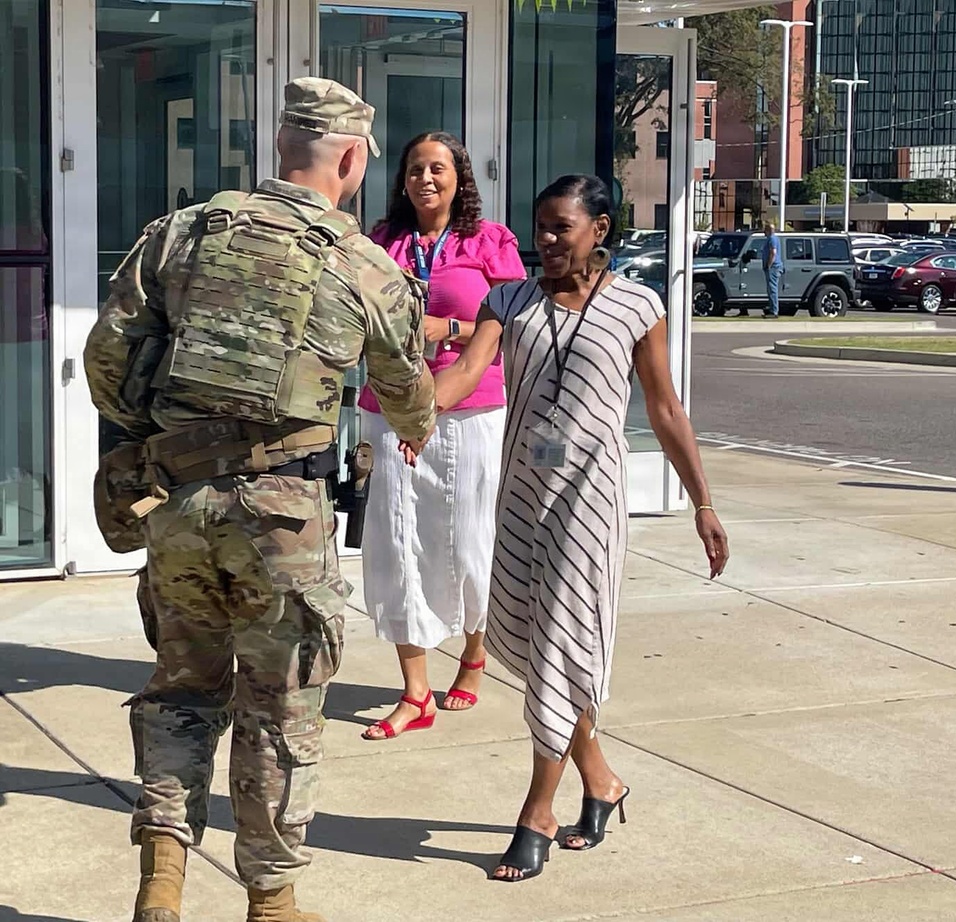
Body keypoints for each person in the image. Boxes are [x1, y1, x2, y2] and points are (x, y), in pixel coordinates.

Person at [84, 77, 436, 922]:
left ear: (280, 149)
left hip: (177, 506)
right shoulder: (361, 264)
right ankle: (271, 903)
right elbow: (407, 391)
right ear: (350, 158)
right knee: (281, 709)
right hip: (285, 518)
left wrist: (170, 435)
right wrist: (414, 421)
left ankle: (162, 880)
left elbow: (106, 357)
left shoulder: (183, 234)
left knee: (181, 687)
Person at [422, 174, 729, 882]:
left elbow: (665, 408)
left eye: (562, 227)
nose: (548, 241)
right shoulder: (511, 299)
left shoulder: (636, 306)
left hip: (590, 502)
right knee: (530, 646)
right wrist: (419, 413)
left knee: (562, 641)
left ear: (601, 230)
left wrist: (703, 505)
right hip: (524, 495)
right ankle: (602, 781)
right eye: (540, 227)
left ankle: (536, 811)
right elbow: (469, 370)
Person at [358, 132, 525, 739]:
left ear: (460, 178)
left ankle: (474, 659)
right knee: (396, 542)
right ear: (401, 180)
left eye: (438, 168)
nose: (426, 179)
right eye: (415, 169)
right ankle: (415, 691)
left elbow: (515, 320)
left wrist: (447, 327)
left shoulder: (491, 243)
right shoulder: (381, 244)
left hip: (472, 411)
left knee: (468, 540)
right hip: (391, 408)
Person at [762, 222, 783, 317]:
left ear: (768, 230)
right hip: (773, 267)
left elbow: (773, 253)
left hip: (773, 267)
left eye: (765, 230)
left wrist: (768, 265)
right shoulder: (773, 239)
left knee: (772, 289)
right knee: (770, 289)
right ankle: (771, 308)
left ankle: (774, 311)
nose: (764, 232)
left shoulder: (772, 239)